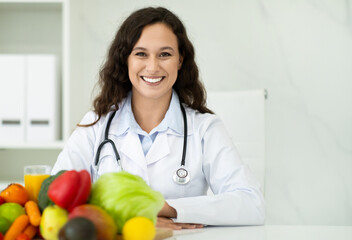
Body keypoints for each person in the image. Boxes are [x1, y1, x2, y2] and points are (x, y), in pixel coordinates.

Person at [52, 7, 265, 229]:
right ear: (126, 60)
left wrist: (169, 209)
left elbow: (252, 204)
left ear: (180, 60)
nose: (153, 67)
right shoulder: (96, 124)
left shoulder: (204, 128)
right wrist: (133, 218)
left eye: (165, 54)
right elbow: (55, 199)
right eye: (141, 54)